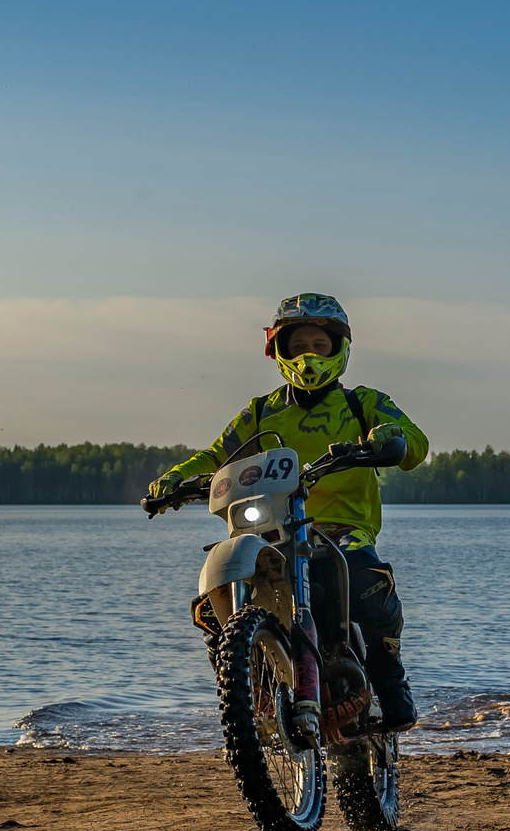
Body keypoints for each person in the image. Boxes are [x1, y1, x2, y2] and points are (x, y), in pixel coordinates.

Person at [150, 293, 429, 730]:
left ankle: (390, 674)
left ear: (339, 349)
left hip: (342, 526)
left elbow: (415, 443)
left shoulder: (363, 403)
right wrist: (175, 479)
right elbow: (218, 454)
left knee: (364, 581)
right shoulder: (261, 411)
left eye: (319, 345)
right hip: (272, 525)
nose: (308, 356)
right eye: (298, 346)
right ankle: (246, 690)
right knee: (210, 602)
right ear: (279, 350)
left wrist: (391, 436)